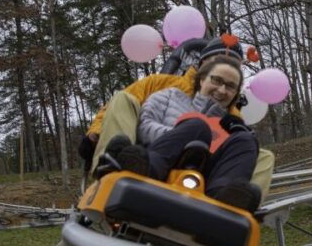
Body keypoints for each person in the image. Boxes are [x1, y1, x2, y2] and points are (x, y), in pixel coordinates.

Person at [78, 35, 275, 199]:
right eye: (217, 65)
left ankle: (234, 203)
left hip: (200, 174)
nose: (222, 86)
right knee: (124, 98)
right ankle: (112, 168)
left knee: (261, 154)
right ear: (203, 64)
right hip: (150, 154)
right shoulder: (162, 86)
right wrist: (96, 131)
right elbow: (120, 107)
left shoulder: (231, 114)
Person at [100, 56, 261, 212]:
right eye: (217, 80)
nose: (222, 90)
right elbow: (144, 127)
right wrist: (184, 136)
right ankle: (144, 168)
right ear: (202, 79)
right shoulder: (170, 96)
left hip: (204, 184)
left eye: (230, 86)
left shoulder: (230, 124)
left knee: (246, 139)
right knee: (198, 126)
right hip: (160, 166)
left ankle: (224, 199)